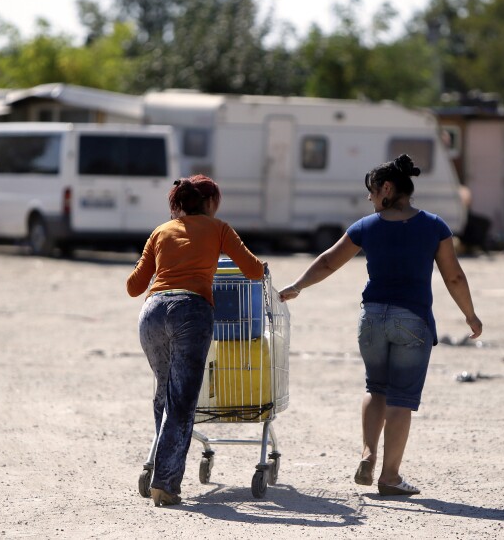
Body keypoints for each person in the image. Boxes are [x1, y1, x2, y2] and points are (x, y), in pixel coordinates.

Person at [279, 154, 482, 496]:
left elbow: (329, 261)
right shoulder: (434, 226)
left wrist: (297, 285)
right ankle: (389, 476)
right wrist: (470, 315)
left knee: (376, 388)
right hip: (412, 321)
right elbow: (455, 277)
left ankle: (368, 454)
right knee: (402, 398)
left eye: (372, 192)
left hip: (371, 319)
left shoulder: (366, 227)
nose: (370, 199)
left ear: (387, 188)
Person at [126, 175, 264, 507]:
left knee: (163, 391)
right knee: (182, 401)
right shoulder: (219, 229)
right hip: (191, 312)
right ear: (210, 202)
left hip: (152, 312)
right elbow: (254, 271)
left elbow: (133, 286)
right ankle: (165, 484)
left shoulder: (160, 231)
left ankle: (160, 468)